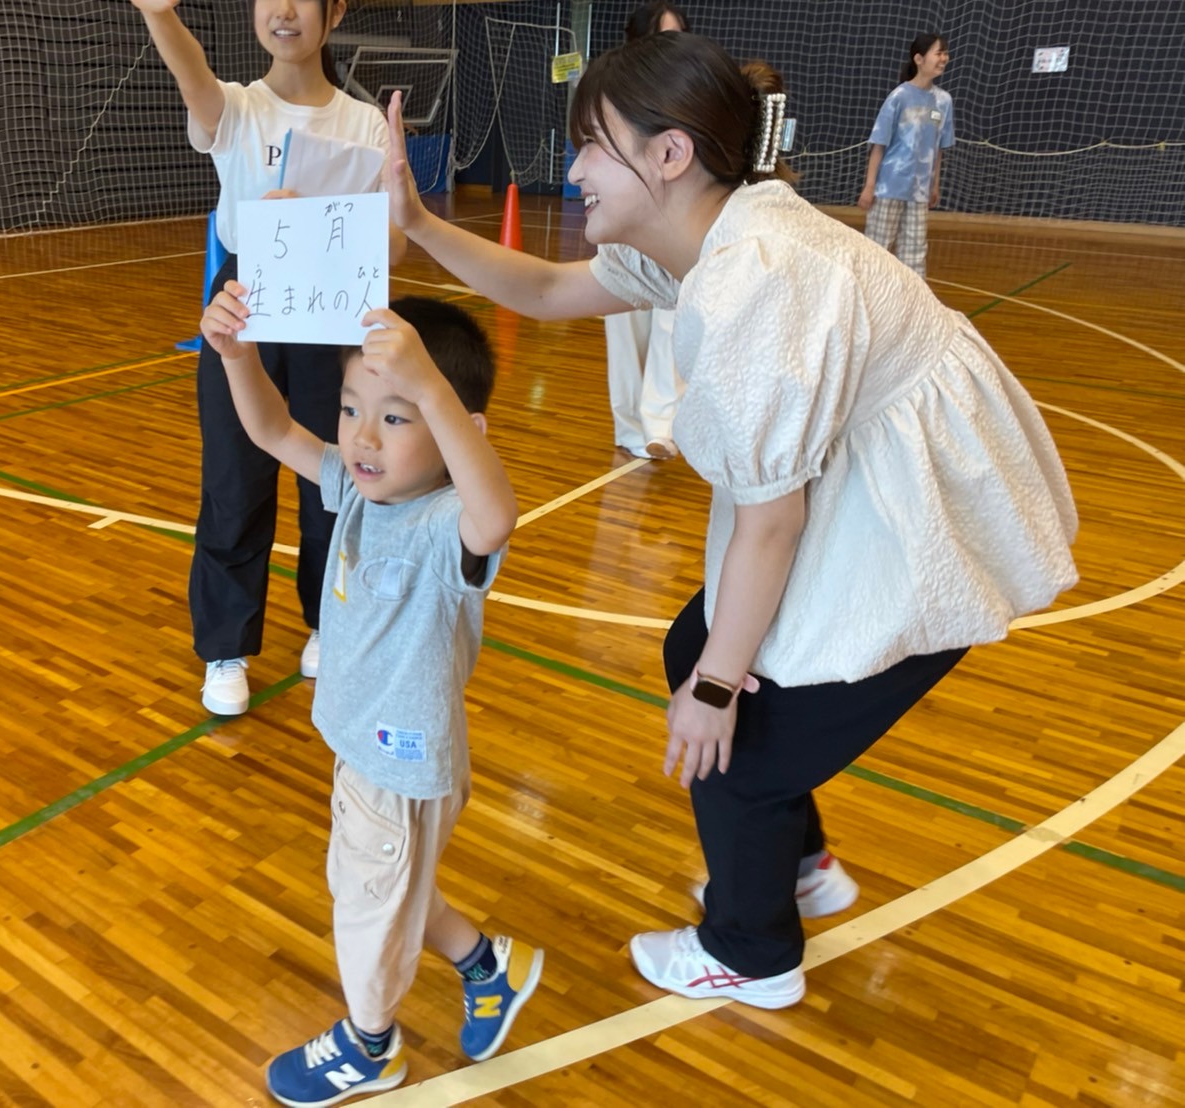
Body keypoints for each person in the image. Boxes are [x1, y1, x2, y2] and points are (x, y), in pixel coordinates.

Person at [376, 32, 1077, 1009]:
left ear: (669, 156)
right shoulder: (708, 230)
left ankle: (752, 953)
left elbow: (772, 519)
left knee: (736, 738)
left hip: (918, 521)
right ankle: (800, 865)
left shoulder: (756, 278)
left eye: (592, 143)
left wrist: (714, 691)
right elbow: (541, 291)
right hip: (868, 490)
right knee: (697, 649)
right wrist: (414, 219)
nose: (572, 166)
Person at [200, 289, 544, 1105]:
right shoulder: (358, 490)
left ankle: (370, 1045)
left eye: (397, 417)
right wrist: (238, 357)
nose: (360, 434)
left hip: (401, 763)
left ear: (458, 430)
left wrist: (430, 385)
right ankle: (488, 966)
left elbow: (498, 516)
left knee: (366, 904)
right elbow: (274, 430)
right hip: (369, 752)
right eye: (354, 408)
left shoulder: (446, 524)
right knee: (390, 889)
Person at [131, 0, 406, 717]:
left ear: (334, 11)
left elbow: (395, 246)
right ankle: (225, 647)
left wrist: (333, 230)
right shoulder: (236, 108)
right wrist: (160, 15)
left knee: (332, 475)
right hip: (245, 310)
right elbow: (191, 75)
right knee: (234, 476)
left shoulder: (365, 125)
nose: (283, 11)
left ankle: (326, 622)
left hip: (335, 311)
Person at [601, 0, 688, 460]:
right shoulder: (613, 93)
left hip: (672, 225)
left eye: (676, 36)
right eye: (660, 36)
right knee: (625, 329)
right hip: (622, 225)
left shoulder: (692, 95)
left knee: (670, 320)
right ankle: (629, 426)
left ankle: (660, 425)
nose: (669, 47)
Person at [858, 33, 954, 277]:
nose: (944, 58)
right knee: (876, 250)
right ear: (919, 59)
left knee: (914, 255)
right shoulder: (899, 97)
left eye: (945, 53)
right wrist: (870, 186)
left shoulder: (944, 101)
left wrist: (935, 184)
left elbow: (938, 149)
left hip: (919, 192)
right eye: (938, 53)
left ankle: (913, 307)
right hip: (889, 187)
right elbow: (879, 144)